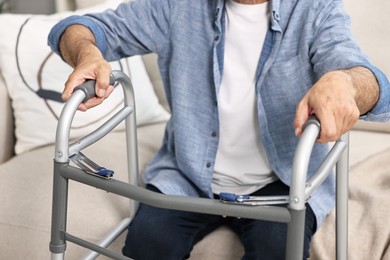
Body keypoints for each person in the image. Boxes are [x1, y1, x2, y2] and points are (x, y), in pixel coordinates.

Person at [48, 0, 390, 259]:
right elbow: (78, 28)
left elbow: (367, 79)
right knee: (148, 245)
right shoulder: (176, 6)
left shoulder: (315, 8)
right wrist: (87, 52)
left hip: (283, 185)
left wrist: (346, 82)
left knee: (278, 252)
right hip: (187, 177)